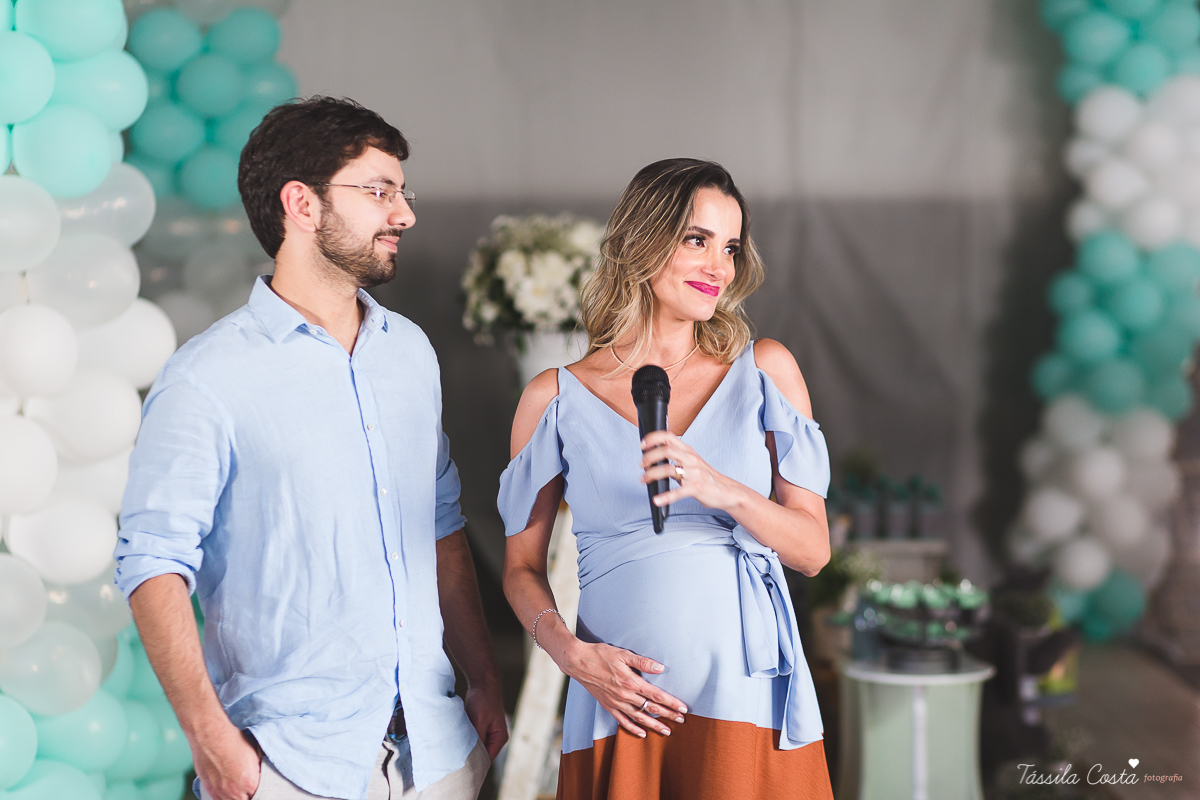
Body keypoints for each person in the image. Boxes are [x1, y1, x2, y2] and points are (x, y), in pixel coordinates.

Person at [114, 97, 506, 800]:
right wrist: (211, 743)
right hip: (290, 768)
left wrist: (482, 679)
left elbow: (441, 523)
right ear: (301, 204)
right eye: (378, 191)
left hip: (438, 754)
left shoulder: (410, 353)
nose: (404, 215)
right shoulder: (206, 377)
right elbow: (152, 562)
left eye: (402, 193)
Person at [499, 158, 835, 799]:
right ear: (641, 241)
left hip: (742, 693)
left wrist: (723, 488)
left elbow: (813, 550)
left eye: (730, 247)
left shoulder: (765, 371)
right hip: (619, 701)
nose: (720, 267)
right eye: (697, 240)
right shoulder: (554, 398)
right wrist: (574, 658)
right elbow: (520, 569)